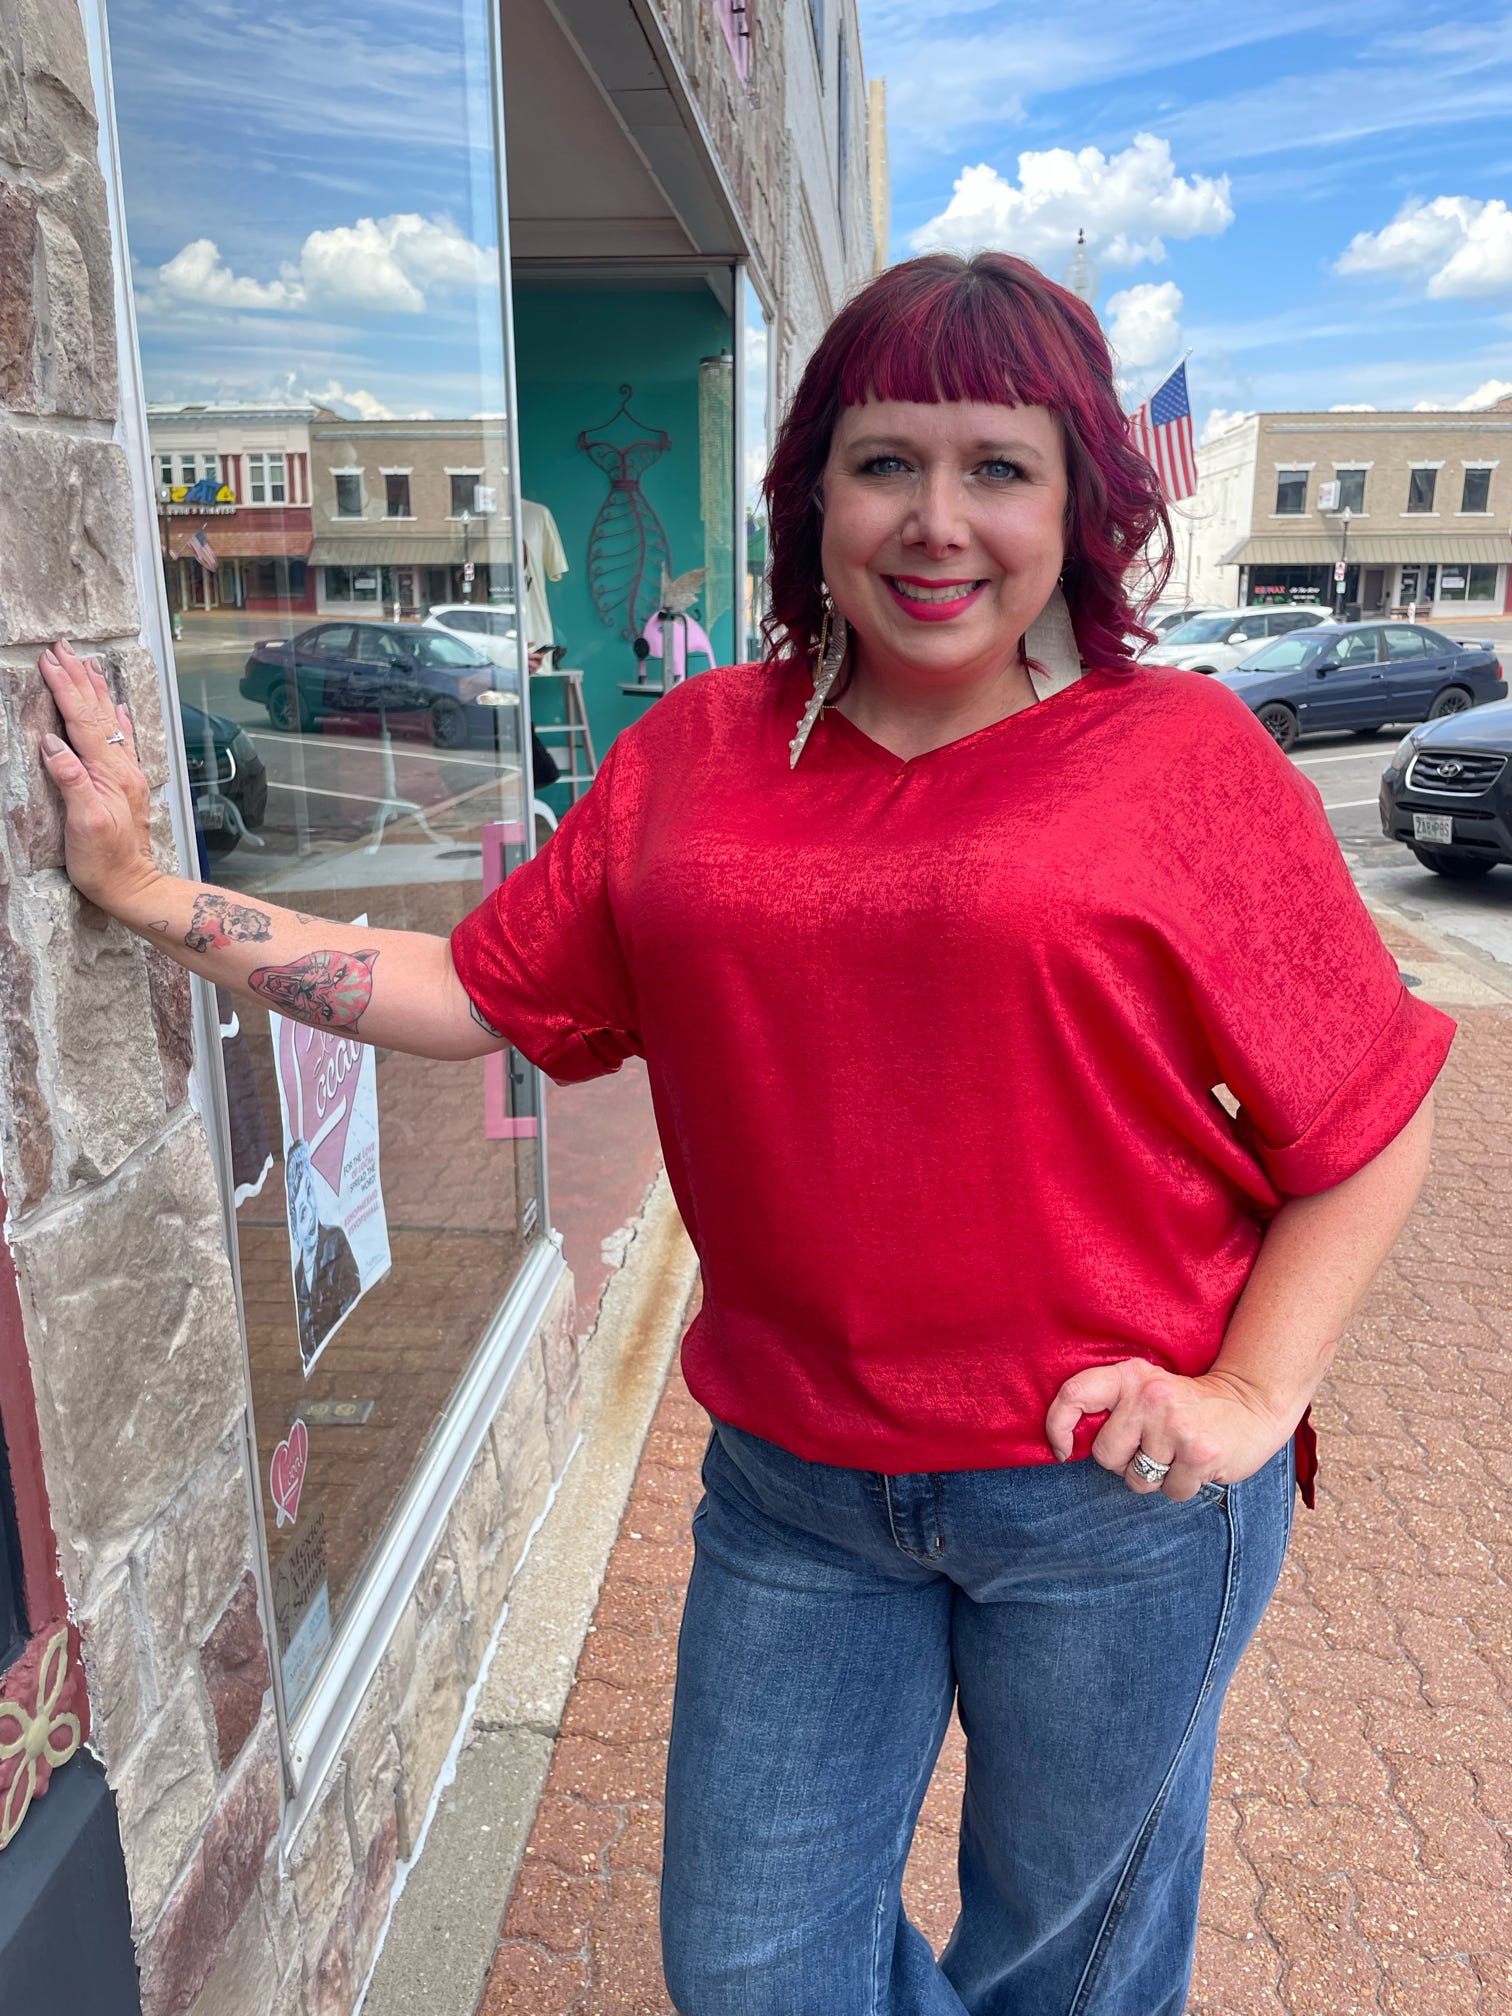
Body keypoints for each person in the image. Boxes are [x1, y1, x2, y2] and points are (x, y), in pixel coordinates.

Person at [38, 252, 1452, 2016]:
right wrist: (154, 895)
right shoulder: (697, 754)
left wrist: (1246, 1402)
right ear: (813, 492)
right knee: (753, 1968)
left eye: (997, 467)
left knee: (1064, 1968)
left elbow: (1364, 1126)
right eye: (885, 462)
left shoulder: (1173, 756)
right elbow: (464, 987)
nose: (936, 522)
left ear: (1076, 500)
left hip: (1112, 1495)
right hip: (799, 1495)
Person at [284, 1137, 361, 1369]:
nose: (308, 1206)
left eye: (309, 1190)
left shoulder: (334, 1243)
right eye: (300, 1206)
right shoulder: (297, 1276)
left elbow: (351, 1303)